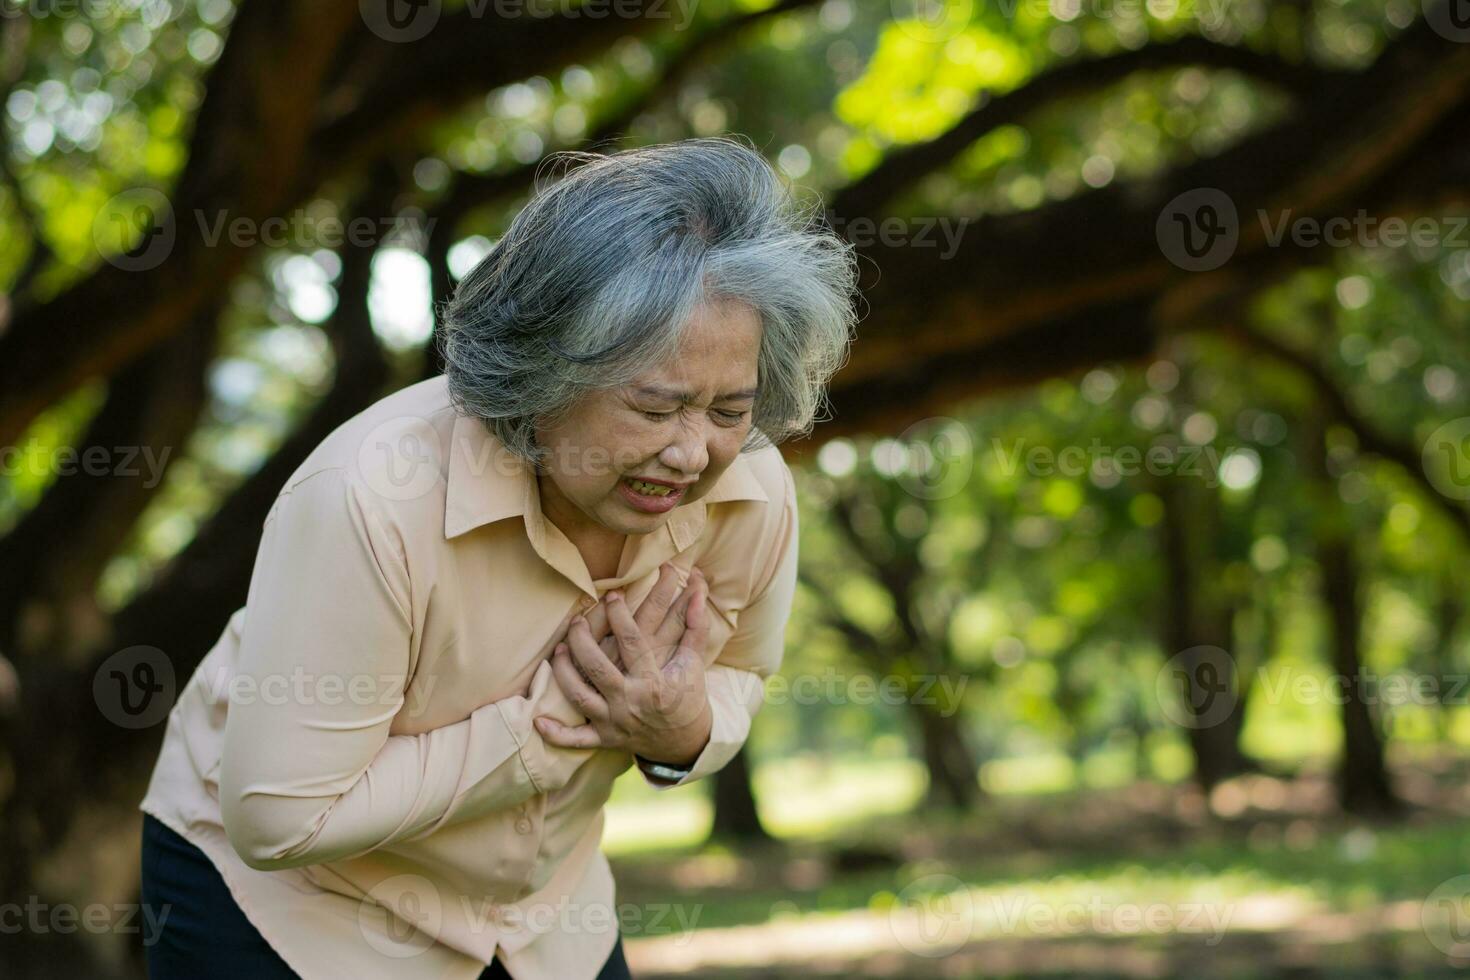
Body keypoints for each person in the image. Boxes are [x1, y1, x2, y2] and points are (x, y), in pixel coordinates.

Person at [137, 135, 858, 980]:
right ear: (541, 372)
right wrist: (547, 734)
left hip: (547, 916)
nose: (693, 453)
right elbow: (280, 819)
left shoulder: (752, 490)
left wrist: (678, 729)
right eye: (656, 408)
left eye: (729, 408)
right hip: (296, 910)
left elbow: (739, 670)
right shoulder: (371, 496)